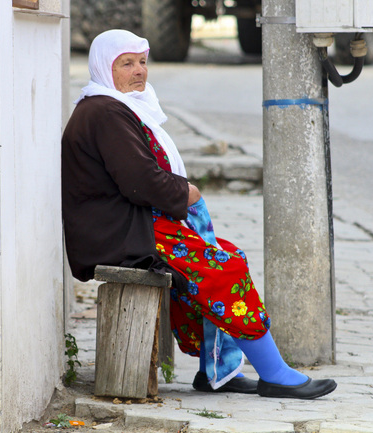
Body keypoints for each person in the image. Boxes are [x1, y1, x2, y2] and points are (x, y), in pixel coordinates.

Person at [62, 29, 337, 400]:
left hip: (134, 225)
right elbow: (139, 181)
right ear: (102, 67)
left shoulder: (114, 107)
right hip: (121, 233)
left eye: (142, 62)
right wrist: (186, 192)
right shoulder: (105, 111)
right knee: (223, 269)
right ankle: (275, 373)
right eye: (126, 64)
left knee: (226, 257)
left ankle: (217, 371)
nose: (139, 71)